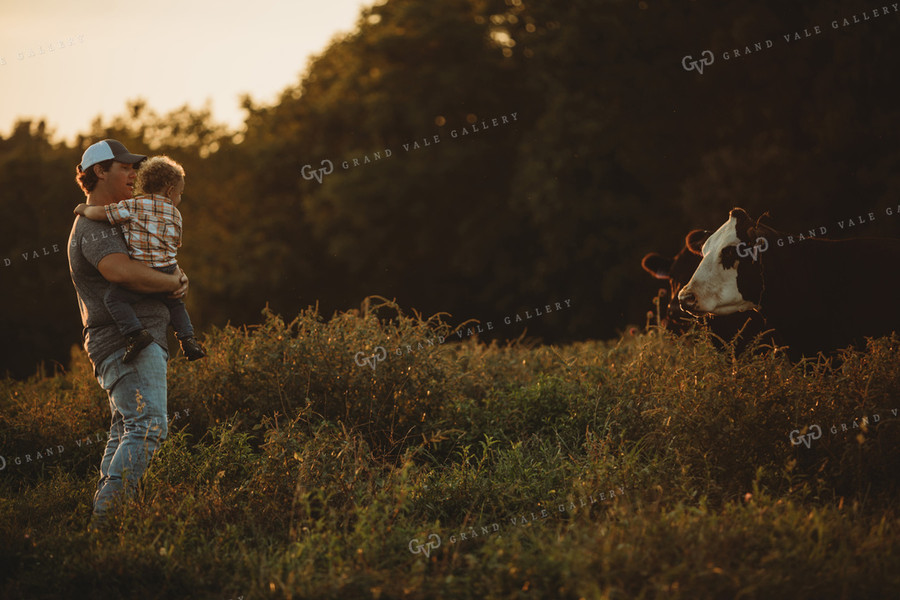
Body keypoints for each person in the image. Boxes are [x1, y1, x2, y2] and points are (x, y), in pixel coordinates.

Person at [67, 139, 189, 526]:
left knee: (127, 428)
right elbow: (119, 272)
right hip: (125, 343)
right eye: (126, 168)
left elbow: (153, 259)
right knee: (149, 426)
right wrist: (170, 285)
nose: (135, 175)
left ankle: (106, 524)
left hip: (137, 342)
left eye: (137, 169)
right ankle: (109, 521)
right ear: (100, 172)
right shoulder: (92, 225)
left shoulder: (126, 216)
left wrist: (175, 274)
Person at [74, 155, 206, 363]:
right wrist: (175, 278)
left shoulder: (134, 205)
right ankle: (188, 339)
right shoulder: (176, 215)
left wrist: (84, 209)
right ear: (170, 191)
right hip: (167, 266)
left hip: (145, 266)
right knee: (176, 304)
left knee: (115, 298)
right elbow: (174, 244)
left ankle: (135, 333)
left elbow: (102, 214)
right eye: (180, 194)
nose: (131, 174)